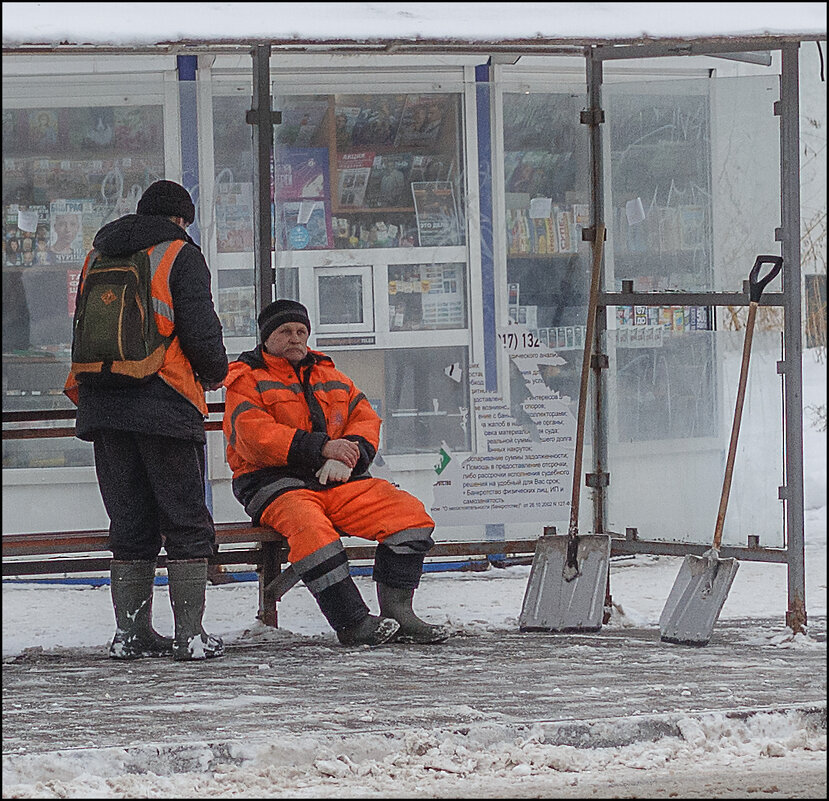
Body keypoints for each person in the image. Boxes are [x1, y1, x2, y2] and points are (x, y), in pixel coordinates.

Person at [64, 180, 229, 662]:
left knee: (130, 520)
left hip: (101, 404)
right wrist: (215, 371)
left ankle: (131, 635)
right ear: (180, 218)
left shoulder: (99, 253)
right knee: (183, 519)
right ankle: (190, 636)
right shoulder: (179, 253)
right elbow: (200, 325)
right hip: (164, 400)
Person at [222, 299, 448, 646]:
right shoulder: (246, 379)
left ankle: (399, 614)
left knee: (409, 516)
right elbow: (253, 438)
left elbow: (365, 418)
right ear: (266, 338)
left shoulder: (331, 375)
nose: (295, 338)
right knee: (312, 530)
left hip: (336, 481)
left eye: (301, 331)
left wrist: (349, 456)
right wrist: (322, 448)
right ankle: (352, 623)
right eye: (285, 331)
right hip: (272, 484)